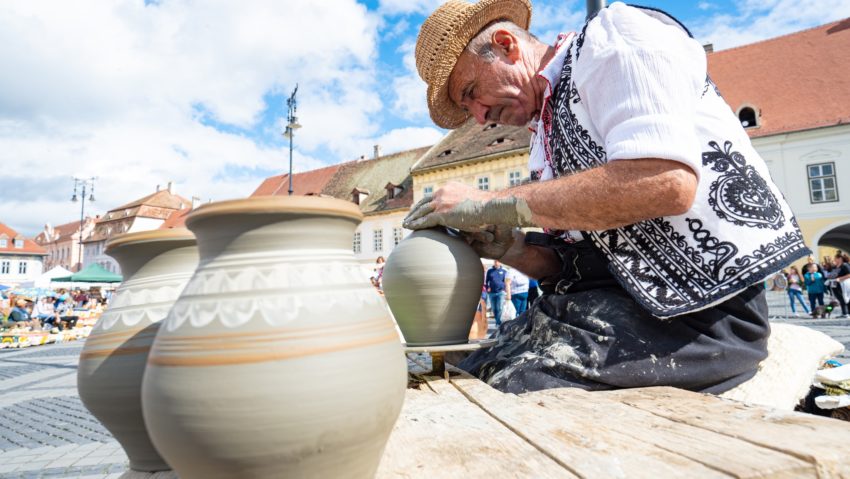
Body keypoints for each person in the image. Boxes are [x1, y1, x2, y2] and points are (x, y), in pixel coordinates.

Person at [404, 0, 810, 394]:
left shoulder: (613, 39)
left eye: (473, 91)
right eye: (468, 106)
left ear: (507, 45)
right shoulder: (544, 133)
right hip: (610, 309)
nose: (478, 116)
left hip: (702, 319)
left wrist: (489, 203)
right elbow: (590, 261)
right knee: (462, 372)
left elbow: (663, 181)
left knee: (503, 393)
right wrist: (514, 250)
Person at [485, 260, 507, 326]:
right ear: (494, 263)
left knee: (499, 307)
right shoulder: (490, 271)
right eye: (495, 262)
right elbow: (486, 281)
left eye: (497, 262)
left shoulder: (504, 271)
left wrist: (505, 289)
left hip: (501, 292)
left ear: (500, 263)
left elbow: (506, 282)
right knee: (494, 308)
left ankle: (498, 322)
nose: (496, 263)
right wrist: (487, 287)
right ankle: (497, 320)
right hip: (491, 293)